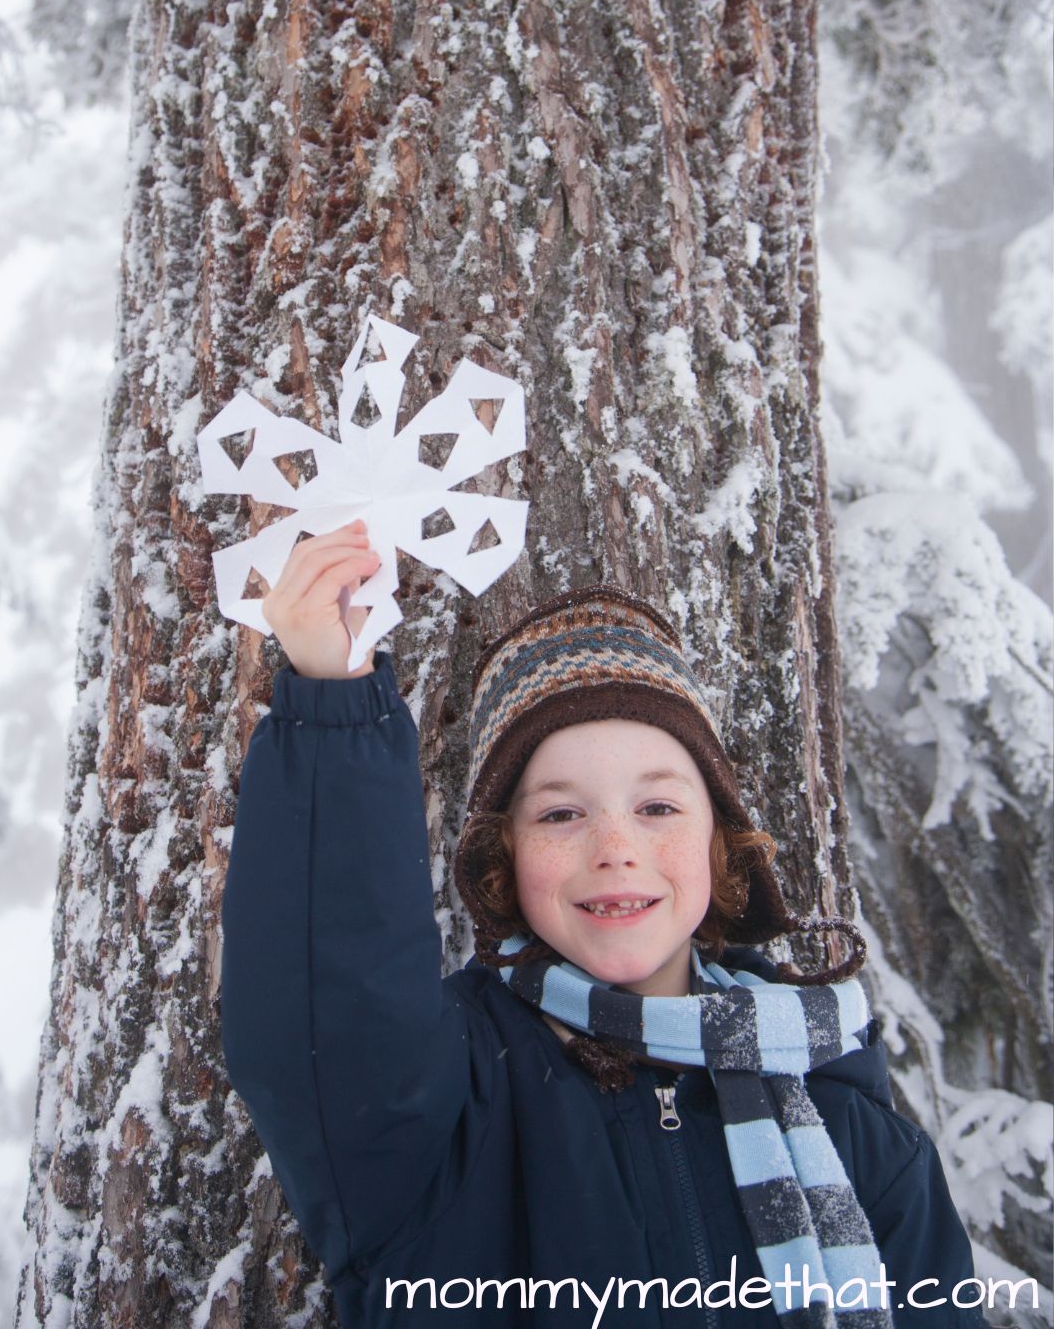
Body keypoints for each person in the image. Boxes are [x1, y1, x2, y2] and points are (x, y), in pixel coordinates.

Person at [221, 523, 986, 1327]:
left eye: (657, 807)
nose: (616, 850)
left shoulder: (853, 1127)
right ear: (501, 857)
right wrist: (334, 704)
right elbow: (332, 1005)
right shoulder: (447, 1101)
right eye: (560, 814)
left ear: (719, 840)